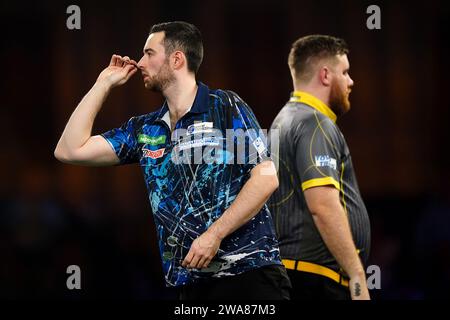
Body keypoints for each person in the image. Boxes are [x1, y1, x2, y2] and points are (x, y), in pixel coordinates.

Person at [54, 21, 291, 300]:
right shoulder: (146, 128)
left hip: (249, 276)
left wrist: (213, 236)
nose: (140, 62)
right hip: (187, 283)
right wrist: (102, 83)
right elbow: (69, 150)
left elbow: (266, 178)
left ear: (177, 59)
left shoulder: (224, 105)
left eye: (149, 53)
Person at [268, 35, 371, 300]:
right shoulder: (314, 123)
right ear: (325, 75)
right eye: (345, 72)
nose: (351, 81)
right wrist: (358, 277)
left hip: (295, 276)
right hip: (319, 281)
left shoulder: (283, 121)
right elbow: (323, 206)